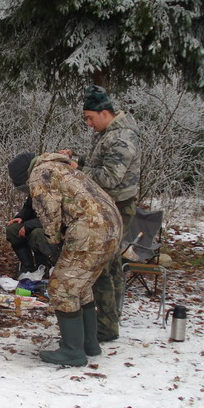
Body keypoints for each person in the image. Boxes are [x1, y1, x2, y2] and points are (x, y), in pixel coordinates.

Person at [8, 152, 122, 367]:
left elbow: (49, 211)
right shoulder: (63, 167)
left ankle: (72, 351)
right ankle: (89, 344)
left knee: (61, 287)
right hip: (111, 226)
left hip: (90, 229)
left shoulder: (40, 174)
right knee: (81, 286)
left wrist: (52, 240)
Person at [61, 85, 141, 342]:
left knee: (102, 266)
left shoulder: (122, 137)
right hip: (107, 205)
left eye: (89, 118)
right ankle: (110, 317)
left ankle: (106, 327)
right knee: (112, 263)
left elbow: (109, 177)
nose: (87, 123)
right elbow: (101, 163)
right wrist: (78, 159)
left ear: (104, 113)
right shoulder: (109, 133)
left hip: (116, 208)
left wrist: (76, 170)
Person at [5, 196, 60, 277]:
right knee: (13, 229)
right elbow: (28, 207)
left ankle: (43, 266)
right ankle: (28, 267)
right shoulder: (36, 190)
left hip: (54, 228)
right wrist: (20, 217)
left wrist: (28, 226)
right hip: (36, 223)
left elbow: (55, 218)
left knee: (37, 234)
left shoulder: (56, 191)